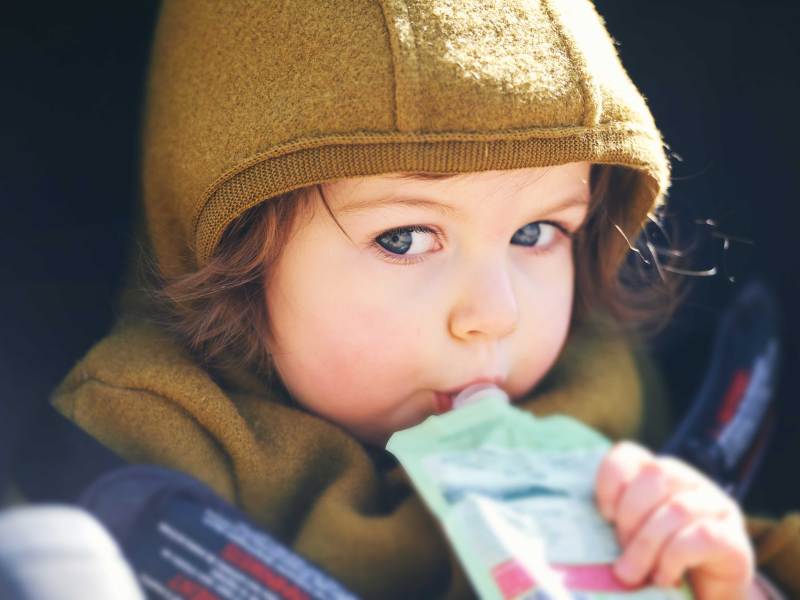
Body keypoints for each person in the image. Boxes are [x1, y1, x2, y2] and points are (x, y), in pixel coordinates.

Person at [51, 0, 798, 597]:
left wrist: (731, 580)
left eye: (537, 232)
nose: (493, 314)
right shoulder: (153, 443)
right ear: (235, 258)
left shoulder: (596, 401)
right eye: (406, 239)